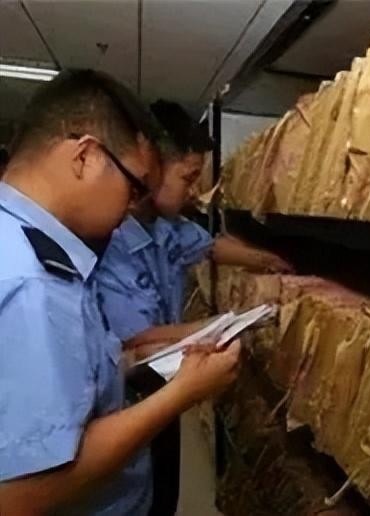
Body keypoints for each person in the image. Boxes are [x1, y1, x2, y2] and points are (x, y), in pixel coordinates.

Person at [0, 70, 241, 515]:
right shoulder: (32, 282)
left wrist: (130, 363)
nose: (132, 206)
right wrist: (183, 393)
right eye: (133, 186)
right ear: (85, 157)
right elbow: (19, 494)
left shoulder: (21, 244)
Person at [93, 99, 292, 515]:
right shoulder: (116, 243)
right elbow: (135, 340)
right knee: (138, 492)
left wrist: (271, 261)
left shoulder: (168, 226)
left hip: (165, 389)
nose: (195, 192)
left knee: (164, 491)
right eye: (187, 178)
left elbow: (210, 247)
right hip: (130, 397)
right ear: (152, 166)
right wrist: (222, 325)